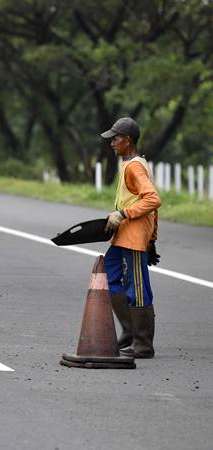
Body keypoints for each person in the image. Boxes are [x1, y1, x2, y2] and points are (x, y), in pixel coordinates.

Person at [100, 117, 161, 358]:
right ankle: (129, 331)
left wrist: (124, 213)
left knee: (137, 287)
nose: (112, 143)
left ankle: (143, 344)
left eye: (115, 139)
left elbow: (153, 200)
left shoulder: (135, 166)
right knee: (108, 274)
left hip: (133, 235)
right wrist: (153, 238)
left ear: (127, 140)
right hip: (124, 234)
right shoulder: (129, 163)